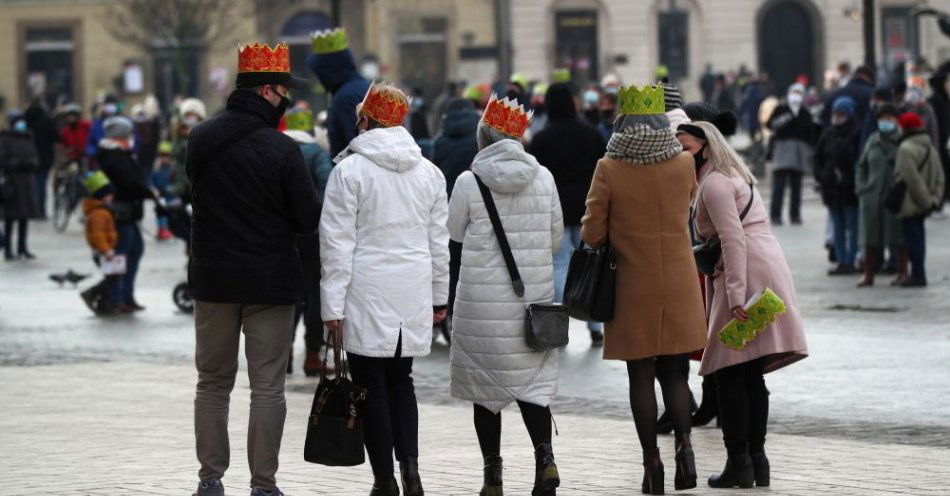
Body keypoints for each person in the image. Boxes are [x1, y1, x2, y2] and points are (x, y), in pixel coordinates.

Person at [187, 42, 314, 496]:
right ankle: (263, 485)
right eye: (283, 91)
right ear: (266, 91)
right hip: (269, 282)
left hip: (214, 278)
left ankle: (210, 479)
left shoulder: (200, 137)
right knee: (267, 389)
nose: (286, 100)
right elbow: (306, 220)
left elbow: (196, 196)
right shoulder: (283, 150)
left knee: (213, 383)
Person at [320, 82, 449, 496]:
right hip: (411, 287)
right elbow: (438, 243)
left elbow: (337, 244)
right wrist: (440, 297)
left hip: (366, 288)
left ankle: (384, 480)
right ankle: (411, 471)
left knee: (370, 384)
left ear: (365, 119)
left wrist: (331, 307)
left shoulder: (349, 171)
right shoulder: (429, 173)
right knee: (402, 380)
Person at [581, 85, 707, 495]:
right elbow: (687, 207)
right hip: (679, 279)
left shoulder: (609, 167)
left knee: (641, 375)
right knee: (675, 371)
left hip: (632, 283)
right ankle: (685, 449)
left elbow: (592, 231)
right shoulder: (683, 164)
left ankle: (652, 465)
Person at [448, 94, 564, 496]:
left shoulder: (469, 181)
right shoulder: (544, 177)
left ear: (485, 136)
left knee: (486, 392)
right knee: (532, 387)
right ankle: (545, 459)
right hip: (533, 304)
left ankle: (493, 477)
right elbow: (554, 239)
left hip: (482, 304)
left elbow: (454, 233)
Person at [690, 119, 808, 490]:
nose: (680, 154)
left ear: (705, 146)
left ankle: (739, 463)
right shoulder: (735, 174)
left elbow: (732, 237)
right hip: (764, 268)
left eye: (685, 147)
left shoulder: (714, 183)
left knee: (729, 372)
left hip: (744, 275)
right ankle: (757, 462)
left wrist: (736, 294)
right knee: (749, 369)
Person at [529, 82, 607, 344]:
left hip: (556, 210)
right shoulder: (591, 134)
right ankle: (596, 327)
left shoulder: (541, 139)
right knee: (591, 266)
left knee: (560, 264)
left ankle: (561, 323)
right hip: (588, 207)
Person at [283, 108, 333, 376]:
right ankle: (313, 355)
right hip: (312, 235)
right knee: (314, 293)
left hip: (283, 235)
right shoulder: (316, 153)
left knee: (289, 294)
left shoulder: (277, 149)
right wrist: (314, 210)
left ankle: (285, 352)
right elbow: (329, 183)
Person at [97, 116, 160, 311]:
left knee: (134, 251)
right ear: (119, 137)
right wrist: (148, 193)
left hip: (129, 212)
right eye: (127, 134)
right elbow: (128, 182)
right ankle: (116, 298)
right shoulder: (114, 156)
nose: (130, 137)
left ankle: (126, 296)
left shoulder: (122, 153)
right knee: (121, 256)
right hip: (120, 213)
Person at [893, 112, 946, 287]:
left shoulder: (905, 148)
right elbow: (940, 177)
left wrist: (924, 200)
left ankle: (918, 275)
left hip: (910, 203)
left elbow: (911, 179)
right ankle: (918, 273)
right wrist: (933, 201)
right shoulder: (930, 146)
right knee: (919, 239)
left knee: (912, 241)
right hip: (926, 203)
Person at [855, 105, 904, 287]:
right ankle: (869, 274)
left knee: (898, 236)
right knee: (870, 237)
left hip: (893, 196)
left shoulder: (901, 140)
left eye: (889, 118)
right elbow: (861, 166)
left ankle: (902, 271)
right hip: (872, 195)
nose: (885, 122)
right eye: (882, 118)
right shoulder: (872, 140)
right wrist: (862, 187)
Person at [307, 28, 371, 157]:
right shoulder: (365, 86)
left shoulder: (344, 97)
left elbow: (358, 145)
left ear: (328, 70)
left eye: (320, 73)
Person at [815, 96, 861, 275]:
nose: (837, 117)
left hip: (850, 189)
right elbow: (818, 158)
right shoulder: (828, 134)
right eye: (836, 114)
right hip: (832, 190)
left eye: (841, 114)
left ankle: (852, 260)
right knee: (838, 227)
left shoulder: (855, 134)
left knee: (852, 225)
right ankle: (842, 261)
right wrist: (822, 177)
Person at [766, 83, 818, 225]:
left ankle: (795, 215)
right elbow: (770, 124)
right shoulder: (781, 109)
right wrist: (786, 118)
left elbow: (810, 130)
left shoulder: (805, 112)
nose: (796, 96)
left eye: (798, 93)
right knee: (779, 186)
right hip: (782, 149)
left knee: (796, 186)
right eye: (793, 92)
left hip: (799, 151)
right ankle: (775, 215)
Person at [78, 171, 120, 316]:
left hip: (106, 250)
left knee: (113, 277)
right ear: (102, 196)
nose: (112, 197)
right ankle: (93, 294)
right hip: (103, 252)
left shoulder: (103, 211)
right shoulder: (99, 213)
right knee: (112, 277)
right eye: (109, 195)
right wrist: (106, 250)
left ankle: (103, 303)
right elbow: (98, 235)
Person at [1, 112, 39, 260]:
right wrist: (17, 164)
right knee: (10, 219)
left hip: (27, 182)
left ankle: (22, 248)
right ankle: (8, 249)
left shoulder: (28, 137)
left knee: (24, 218)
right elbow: (2, 159)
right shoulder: (5, 139)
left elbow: (35, 155)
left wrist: (32, 163)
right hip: (12, 183)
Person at [24, 98, 58, 218]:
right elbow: (55, 137)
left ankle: (30, 210)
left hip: (27, 158)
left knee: (29, 186)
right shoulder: (47, 120)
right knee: (41, 185)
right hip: (44, 157)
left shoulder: (25, 120)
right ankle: (40, 211)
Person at [172, 98, 206, 204]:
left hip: (199, 180)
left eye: (192, 115)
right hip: (183, 181)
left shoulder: (205, 130)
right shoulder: (179, 132)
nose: (190, 118)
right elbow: (176, 153)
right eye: (188, 115)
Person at [927, 71, 950, 207]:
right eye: (946, 82)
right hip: (939, 143)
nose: (948, 85)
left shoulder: (942, 99)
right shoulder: (937, 100)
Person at [150, 141, 176, 241]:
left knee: (171, 211)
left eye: (166, 155)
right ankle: (162, 229)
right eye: (162, 155)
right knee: (159, 210)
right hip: (160, 195)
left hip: (171, 196)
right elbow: (150, 180)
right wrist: (153, 189)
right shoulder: (156, 168)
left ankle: (170, 228)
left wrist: (173, 188)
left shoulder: (173, 168)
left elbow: (177, 181)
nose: (164, 158)